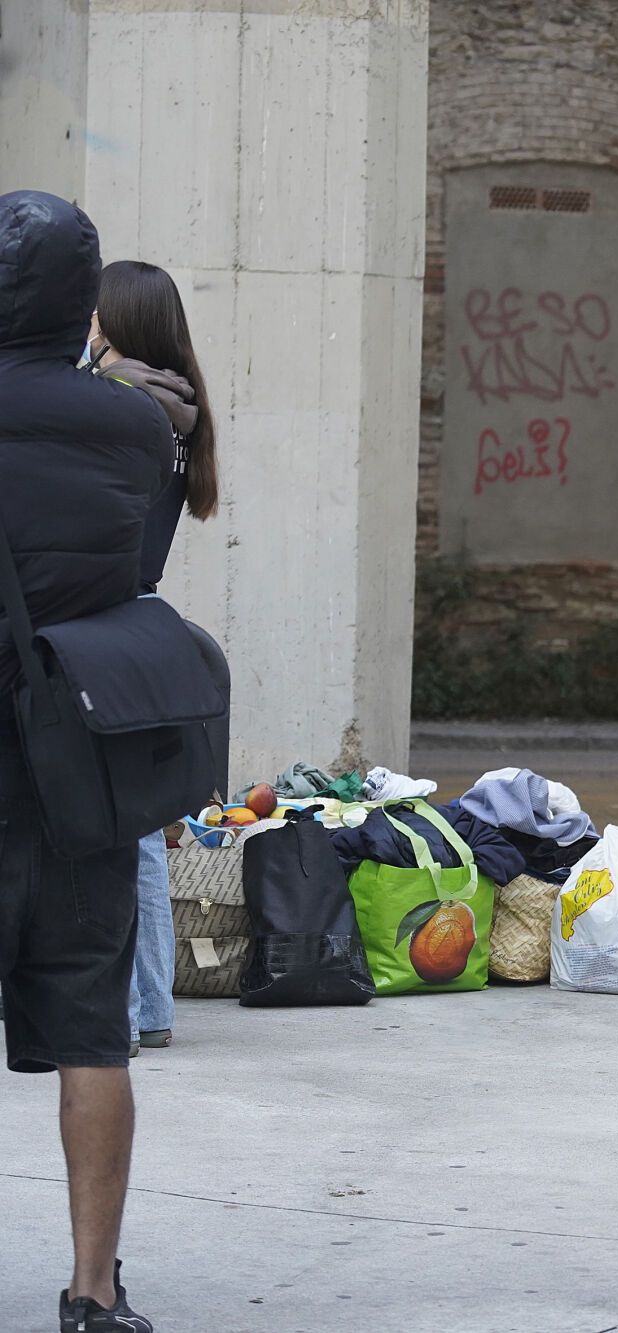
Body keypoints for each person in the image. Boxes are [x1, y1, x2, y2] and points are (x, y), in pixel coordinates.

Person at [0, 189, 172, 1331]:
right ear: (83, 299)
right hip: (75, 771)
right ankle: (92, 1288)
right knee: (93, 1028)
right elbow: (137, 572)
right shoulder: (136, 426)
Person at [87, 259, 219, 1058]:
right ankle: (151, 1002)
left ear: (121, 321)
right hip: (140, 623)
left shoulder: (124, 409)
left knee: (122, 830)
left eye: (97, 311)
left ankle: (136, 1007)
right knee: (136, 826)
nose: (87, 322)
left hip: (101, 625)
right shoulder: (179, 413)